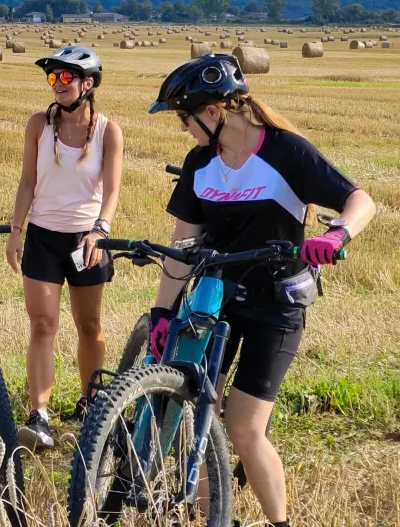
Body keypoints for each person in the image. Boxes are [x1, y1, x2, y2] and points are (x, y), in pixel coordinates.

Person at [147, 54, 375, 527]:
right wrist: (161, 313)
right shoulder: (199, 164)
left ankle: (279, 523)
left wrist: (337, 235)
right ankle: (218, 518)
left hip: (277, 307)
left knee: (244, 428)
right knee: (203, 423)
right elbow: (182, 246)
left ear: (212, 113)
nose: (183, 128)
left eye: (184, 118)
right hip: (217, 301)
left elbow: (361, 200)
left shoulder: (287, 152)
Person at [5, 46, 123, 451]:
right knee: (42, 325)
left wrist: (100, 230)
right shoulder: (39, 124)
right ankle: (40, 416)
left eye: (65, 78)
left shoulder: (109, 131)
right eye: (52, 78)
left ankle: (94, 407)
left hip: (86, 239)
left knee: (89, 326)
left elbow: (111, 191)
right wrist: (16, 230)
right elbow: (26, 182)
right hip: (42, 235)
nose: (57, 84)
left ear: (88, 84)